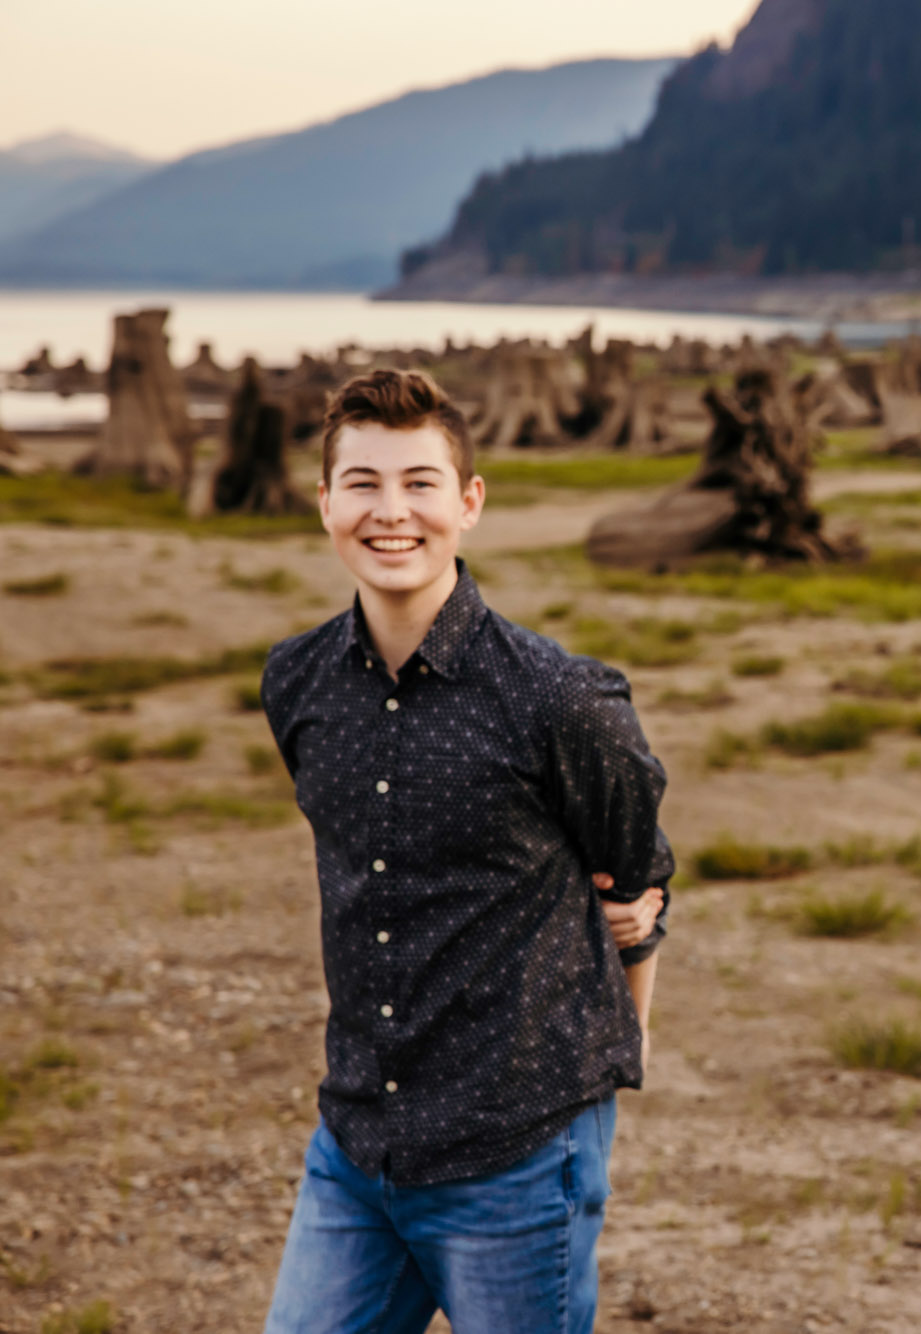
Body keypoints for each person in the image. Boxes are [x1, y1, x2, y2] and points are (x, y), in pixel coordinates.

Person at [259, 368, 674, 1334]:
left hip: (518, 1154)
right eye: (361, 483)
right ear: (325, 504)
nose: (390, 512)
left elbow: (638, 880)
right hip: (355, 1148)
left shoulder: (559, 701)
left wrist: (627, 1036)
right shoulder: (297, 681)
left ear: (469, 503)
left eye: (420, 483)